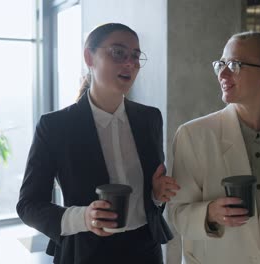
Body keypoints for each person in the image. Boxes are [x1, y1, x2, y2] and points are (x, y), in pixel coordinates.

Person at [17, 23, 179, 264]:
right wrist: (84, 218)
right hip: (85, 253)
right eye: (118, 52)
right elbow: (29, 205)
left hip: (146, 250)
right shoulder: (55, 126)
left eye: (135, 56)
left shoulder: (150, 118)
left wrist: (156, 195)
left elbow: (150, 198)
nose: (130, 63)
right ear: (88, 57)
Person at [168, 31, 260, 264]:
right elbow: (177, 213)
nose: (223, 73)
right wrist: (210, 213)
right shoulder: (193, 135)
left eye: (235, 64)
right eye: (221, 64)